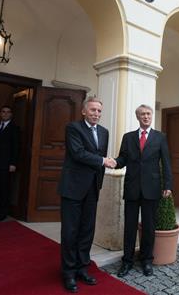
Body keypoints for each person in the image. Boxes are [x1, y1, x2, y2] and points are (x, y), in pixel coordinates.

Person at [59, 97, 115, 293]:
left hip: (92, 188)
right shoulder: (73, 128)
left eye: (99, 111)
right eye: (93, 110)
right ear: (84, 111)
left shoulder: (104, 132)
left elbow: (96, 160)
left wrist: (102, 163)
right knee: (70, 232)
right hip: (73, 188)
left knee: (86, 231)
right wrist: (103, 161)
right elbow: (77, 153)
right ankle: (68, 273)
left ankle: (82, 268)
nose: (97, 114)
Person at [115, 104, 173, 278]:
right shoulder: (128, 137)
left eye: (148, 114)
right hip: (132, 188)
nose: (146, 117)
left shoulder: (160, 137)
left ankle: (147, 260)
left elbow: (166, 162)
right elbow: (123, 158)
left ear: (151, 116)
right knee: (130, 227)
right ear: (137, 117)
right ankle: (127, 261)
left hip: (152, 189)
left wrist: (168, 185)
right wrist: (114, 162)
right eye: (142, 114)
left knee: (149, 227)